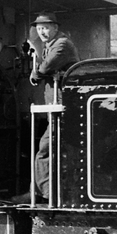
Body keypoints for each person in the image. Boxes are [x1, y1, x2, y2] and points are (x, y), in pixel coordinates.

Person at [28, 12, 78, 200]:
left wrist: (36, 72)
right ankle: (44, 191)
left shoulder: (62, 45)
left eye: (46, 28)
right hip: (56, 106)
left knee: (45, 149)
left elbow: (45, 68)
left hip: (63, 107)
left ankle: (46, 194)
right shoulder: (50, 45)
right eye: (39, 28)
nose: (42, 32)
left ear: (55, 28)